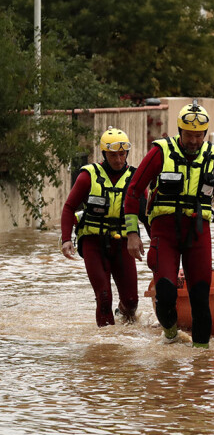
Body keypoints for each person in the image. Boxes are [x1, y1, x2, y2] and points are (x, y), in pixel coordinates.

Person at [124, 101, 214, 348]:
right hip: (164, 233)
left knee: (200, 299)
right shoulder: (160, 152)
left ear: (205, 134)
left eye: (199, 136)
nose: (194, 141)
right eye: (189, 135)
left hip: (197, 233)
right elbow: (133, 191)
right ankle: (172, 335)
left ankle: (201, 361)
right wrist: (132, 233)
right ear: (179, 131)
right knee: (165, 294)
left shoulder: (213, 158)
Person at [60, 127, 139, 327]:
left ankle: (124, 320)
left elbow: (146, 214)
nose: (119, 159)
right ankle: (106, 349)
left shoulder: (135, 178)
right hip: (93, 243)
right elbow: (69, 207)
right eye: (113, 155)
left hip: (123, 244)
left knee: (131, 301)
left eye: (122, 154)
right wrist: (66, 239)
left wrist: (156, 243)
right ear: (104, 154)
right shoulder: (88, 176)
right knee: (104, 297)